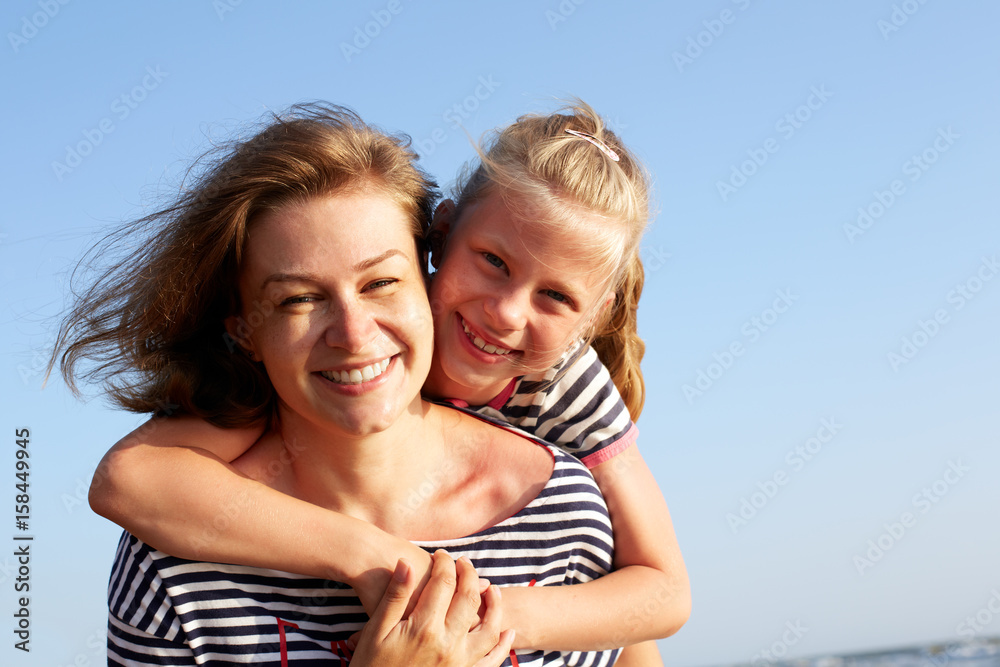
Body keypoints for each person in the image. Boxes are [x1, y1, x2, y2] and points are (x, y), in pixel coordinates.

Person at [80, 101, 689, 662]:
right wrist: (378, 557)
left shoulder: (570, 488)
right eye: (297, 298)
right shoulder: (177, 558)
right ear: (442, 245)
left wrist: (489, 619)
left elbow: (660, 596)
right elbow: (127, 480)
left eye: (380, 283)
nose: (353, 334)